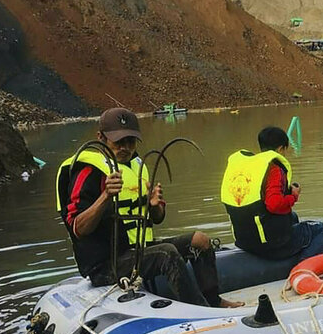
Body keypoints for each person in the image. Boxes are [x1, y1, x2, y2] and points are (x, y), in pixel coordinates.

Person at [56, 108, 242, 307]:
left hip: (138, 251)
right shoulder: (88, 172)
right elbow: (78, 228)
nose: (125, 147)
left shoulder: (138, 166)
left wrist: (154, 206)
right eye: (118, 142)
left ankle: (213, 301)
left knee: (201, 240)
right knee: (167, 253)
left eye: (131, 141)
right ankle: (200, 309)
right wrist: (105, 196)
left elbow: (157, 218)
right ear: (101, 137)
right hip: (106, 264)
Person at [221, 127, 323, 260]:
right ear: (280, 149)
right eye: (285, 150)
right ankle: (301, 267)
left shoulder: (251, 170)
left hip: (244, 242)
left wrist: (287, 192)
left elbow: (261, 198)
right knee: (321, 229)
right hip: (269, 244)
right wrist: (293, 196)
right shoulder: (274, 169)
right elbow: (274, 204)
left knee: (292, 217)